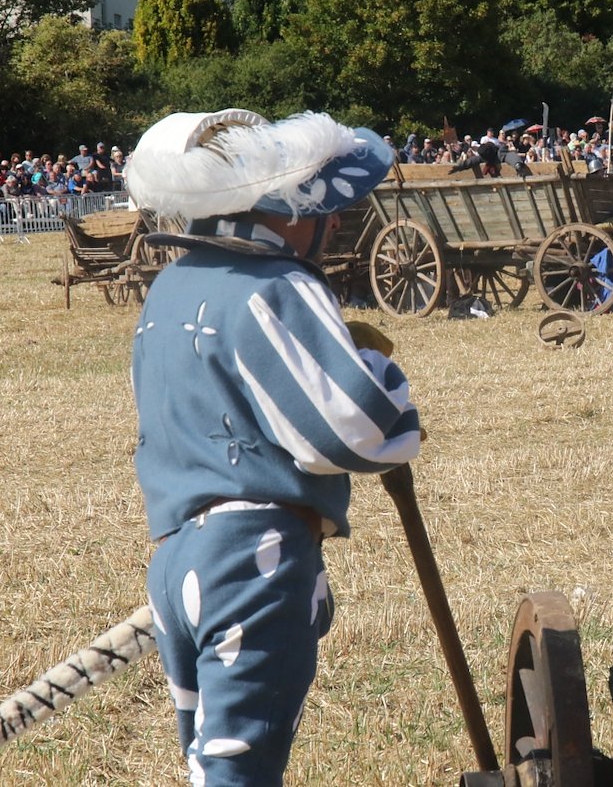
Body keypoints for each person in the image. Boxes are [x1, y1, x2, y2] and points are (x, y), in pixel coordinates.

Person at [127, 109, 420, 786]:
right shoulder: (278, 285)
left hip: (176, 559)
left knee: (213, 766)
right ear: (281, 208)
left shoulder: (169, 287)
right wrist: (378, 373)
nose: (335, 221)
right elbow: (358, 432)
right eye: (322, 207)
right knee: (240, 773)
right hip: (251, 560)